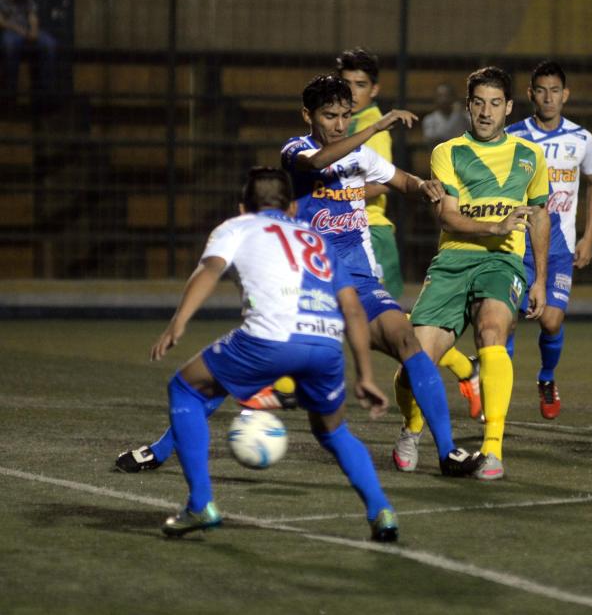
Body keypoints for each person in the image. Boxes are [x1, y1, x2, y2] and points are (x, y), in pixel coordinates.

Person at [149, 167, 399, 541]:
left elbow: (208, 270)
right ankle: (381, 511)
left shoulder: (236, 227)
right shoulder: (318, 239)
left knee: (185, 388)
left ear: (242, 207)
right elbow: (351, 308)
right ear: (293, 209)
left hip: (269, 339)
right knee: (333, 430)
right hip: (326, 345)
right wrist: (365, 374)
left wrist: (178, 322)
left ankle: (200, 504)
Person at [281, 74, 476, 477]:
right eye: (330, 115)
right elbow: (319, 163)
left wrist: (426, 186)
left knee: (408, 341)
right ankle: (162, 446)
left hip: (360, 282)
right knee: (249, 365)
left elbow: (401, 180)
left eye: (345, 116)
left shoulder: (362, 155)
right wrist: (373, 127)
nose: (339, 124)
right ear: (307, 115)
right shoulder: (295, 151)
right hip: (312, 288)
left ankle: (448, 452)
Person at [394, 66, 550, 481]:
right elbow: (447, 216)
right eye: (478, 103)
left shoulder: (530, 155)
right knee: (414, 361)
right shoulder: (447, 152)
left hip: (502, 261)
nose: (486, 112)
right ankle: (411, 430)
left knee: (492, 331)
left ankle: (493, 448)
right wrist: (494, 226)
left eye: (495, 103)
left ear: (509, 108)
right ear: (467, 107)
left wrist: (540, 280)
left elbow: (539, 217)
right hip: (452, 261)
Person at [501, 60, 592, 419]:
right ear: (531, 94)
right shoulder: (512, 136)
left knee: (552, 321)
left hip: (559, 244)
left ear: (566, 94)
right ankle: (499, 389)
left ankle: (546, 377)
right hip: (517, 242)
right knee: (507, 319)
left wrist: (589, 235)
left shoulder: (581, 139)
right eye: (541, 90)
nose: (548, 97)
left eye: (555, 90)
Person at [336, 48, 404, 300]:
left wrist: (334, 197)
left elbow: (383, 182)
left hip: (371, 230)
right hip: (345, 230)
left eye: (360, 85)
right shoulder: (343, 123)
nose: (352, 92)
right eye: (346, 83)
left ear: (374, 89)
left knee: (383, 321)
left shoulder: (372, 125)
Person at [0, 0, 56, 98]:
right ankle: (11, 89)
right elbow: (2, 22)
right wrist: (22, 32)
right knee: (10, 46)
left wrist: (34, 31)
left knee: (50, 44)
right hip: (11, 31)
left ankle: (45, 89)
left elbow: (32, 16)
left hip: (27, 30)